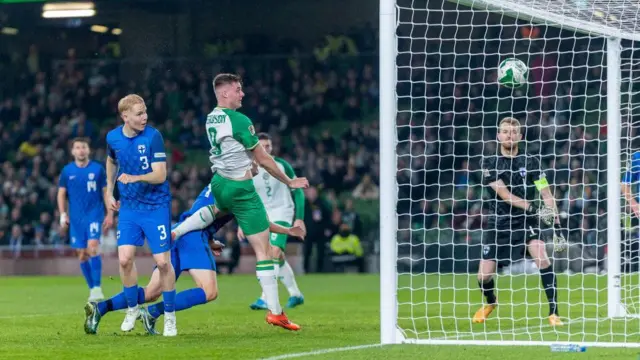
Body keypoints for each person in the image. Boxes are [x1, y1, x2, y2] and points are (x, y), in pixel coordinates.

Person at [170, 73, 308, 331]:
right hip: (240, 188)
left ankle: (177, 230)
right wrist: (289, 182)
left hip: (219, 183)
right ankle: (276, 312)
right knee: (264, 251)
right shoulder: (239, 120)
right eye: (237, 90)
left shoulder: (212, 116)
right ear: (224, 93)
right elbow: (265, 159)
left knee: (215, 211)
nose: (242, 94)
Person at [83, 184, 305, 335]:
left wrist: (206, 239)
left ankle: (100, 308)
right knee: (209, 291)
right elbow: (256, 222)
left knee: (151, 292)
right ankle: (152, 313)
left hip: (181, 232)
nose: (255, 169)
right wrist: (288, 231)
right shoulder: (235, 187)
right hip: (191, 235)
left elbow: (204, 213)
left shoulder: (220, 182)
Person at [476, 117, 565, 327]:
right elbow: (505, 195)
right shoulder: (489, 163)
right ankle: (491, 302)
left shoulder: (532, 161)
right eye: (505, 131)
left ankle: (554, 313)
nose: (509, 135)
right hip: (499, 222)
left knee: (542, 258)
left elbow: (546, 193)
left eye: (513, 132)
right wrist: (536, 208)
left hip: (526, 221)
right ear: (498, 135)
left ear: (520, 136)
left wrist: (557, 223)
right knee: (484, 277)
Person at [106, 94, 177, 336]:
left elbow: (160, 175)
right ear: (125, 116)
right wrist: (109, 190)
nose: (144, 117)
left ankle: (169, 316)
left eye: (145, 111)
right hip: (129, 208)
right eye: (139, 113)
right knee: (125, 259)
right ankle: (132, 308)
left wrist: (133, 177)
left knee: (163, 262)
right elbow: (111, 161)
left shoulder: (153, 136)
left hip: (156, 207)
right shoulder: (113, 137)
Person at [242, 133, 306, 310]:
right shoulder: (249, 168)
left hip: (283, 212)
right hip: (264, 215)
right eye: (262, 146)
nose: (266, 149)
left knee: (274, 252)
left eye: (268, 146)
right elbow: (244, 197)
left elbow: (298, 190)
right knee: (277, 255)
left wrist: (299, 217)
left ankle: (265, 298)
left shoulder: (281, 165)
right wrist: (242, 222)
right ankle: (296, 294)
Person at [57, 137, 114, 301]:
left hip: (94, 215)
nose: (81, 150)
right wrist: (63, 214)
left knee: (93, 247)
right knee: (82, 255)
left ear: (88, 150)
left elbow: (105, 193)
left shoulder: (97, 169)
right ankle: (92, 288)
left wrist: (109, 213)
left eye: (83, 147)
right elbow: (61, 193)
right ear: (73, 151)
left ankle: (97, 287)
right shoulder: (67, 171)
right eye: (77, 148)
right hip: (76, 218)